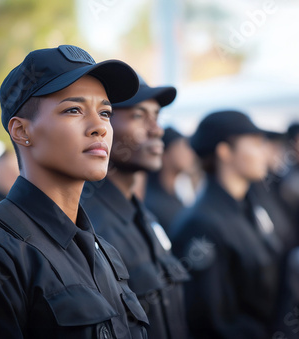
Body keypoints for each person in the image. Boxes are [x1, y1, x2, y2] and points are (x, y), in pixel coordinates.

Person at [0, 45, 149, 338]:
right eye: (74, 109)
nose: (100, 127)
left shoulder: (103, 252)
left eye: (105, 112)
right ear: (21, 131)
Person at [81, 75, 190, 339]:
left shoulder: (143, 216)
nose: (156, 129)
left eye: (157, 116)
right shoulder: (89, 226)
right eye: (140, 116)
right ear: (104, 124)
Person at [171, 110, 283, 339]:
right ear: (224, 152)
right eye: (254, 143)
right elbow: (213, 323)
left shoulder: (249, 207)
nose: (264, 151)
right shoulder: (201, 224)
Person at [144, 127, 197, 235]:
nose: (189, 154)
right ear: (164, 154)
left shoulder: (176, 197)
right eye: (182, 147)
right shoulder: (152, 203)